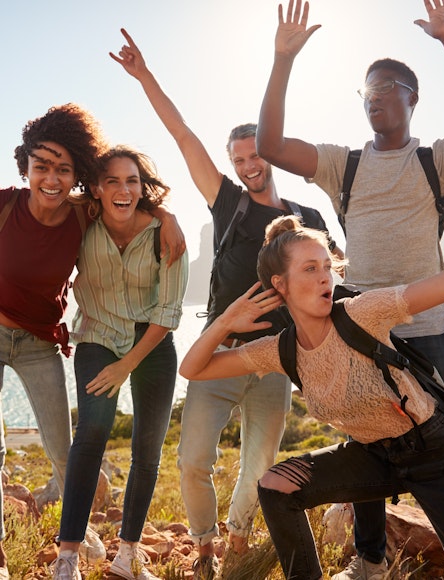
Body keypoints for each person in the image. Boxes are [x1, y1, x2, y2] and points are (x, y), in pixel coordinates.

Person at [255, 0, 444, 577]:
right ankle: (371, 558)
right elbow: (272, 145)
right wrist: (282, 60)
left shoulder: (439, 158)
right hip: (355, 329)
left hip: (425, 334)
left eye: (388, 87)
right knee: (366, 437)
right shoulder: (343, 165)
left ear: (413, 98)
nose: (375, 96)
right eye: (367, 90)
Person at [110, 29, 344, 579]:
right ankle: (205, 544)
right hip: (218, 353)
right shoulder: (228, 202)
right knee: (192, 461)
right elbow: (181, 132)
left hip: (275, 360)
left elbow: (333, 288)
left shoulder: (309, 216)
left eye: (255, 154)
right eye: (238, 158)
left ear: (270, 151)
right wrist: (145, 76)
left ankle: (238, 539)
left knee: (258, 464)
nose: (248, 165)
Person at [179, 214, 444, 580]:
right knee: (275, 486)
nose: (325, 276)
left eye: (326, 266)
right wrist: (226, 321)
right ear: (280, 284)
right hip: (374, 455)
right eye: (309, 268)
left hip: (436, 453)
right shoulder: (280, 350)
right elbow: (193, 369)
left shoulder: (362, 312)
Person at [0, 105, 185, 579]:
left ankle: (105, 539)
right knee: (70, 435)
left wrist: (166, 215)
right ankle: (43, 552)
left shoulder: (116, 223)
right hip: (48, 333)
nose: (52, 179)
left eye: (63, 169)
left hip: (77, 341)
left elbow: (167, 310)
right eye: (42, 166)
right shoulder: (34, 210)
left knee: (105, 448)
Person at [53, 145, 189, 580]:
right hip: (96, 337)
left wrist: (127, 364)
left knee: (147, 451)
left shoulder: (166, 235)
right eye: (111, 180)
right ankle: (67, 557)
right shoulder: (82, 220)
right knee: (91, 431)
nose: (122, 190)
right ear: (96, 186)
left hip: (150, 344)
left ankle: (128, 554)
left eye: (131, 181)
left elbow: (168, 314)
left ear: (142, 187)